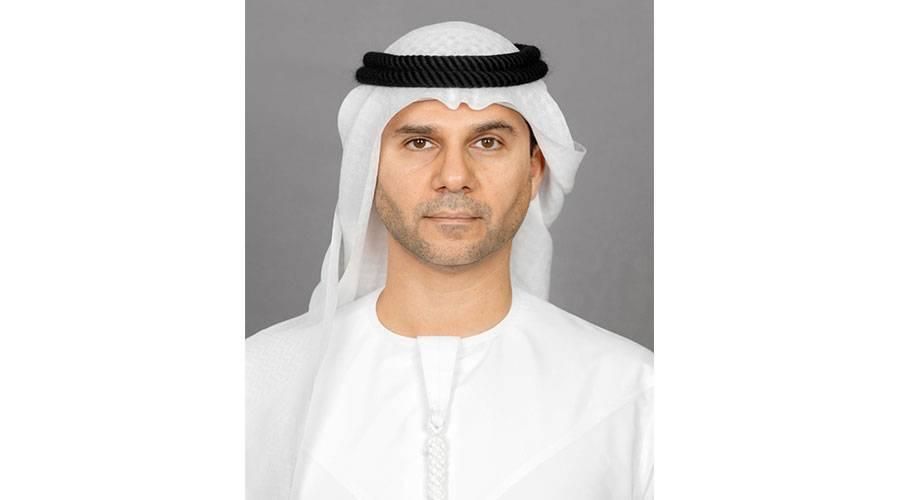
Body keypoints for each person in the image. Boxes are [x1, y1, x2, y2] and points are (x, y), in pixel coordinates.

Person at [247, 21, 653, 500]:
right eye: (419, 142)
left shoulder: (634, 394)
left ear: (534, 170)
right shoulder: (257, 385)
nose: (455, 176)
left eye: (488, 142)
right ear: (369, 169)